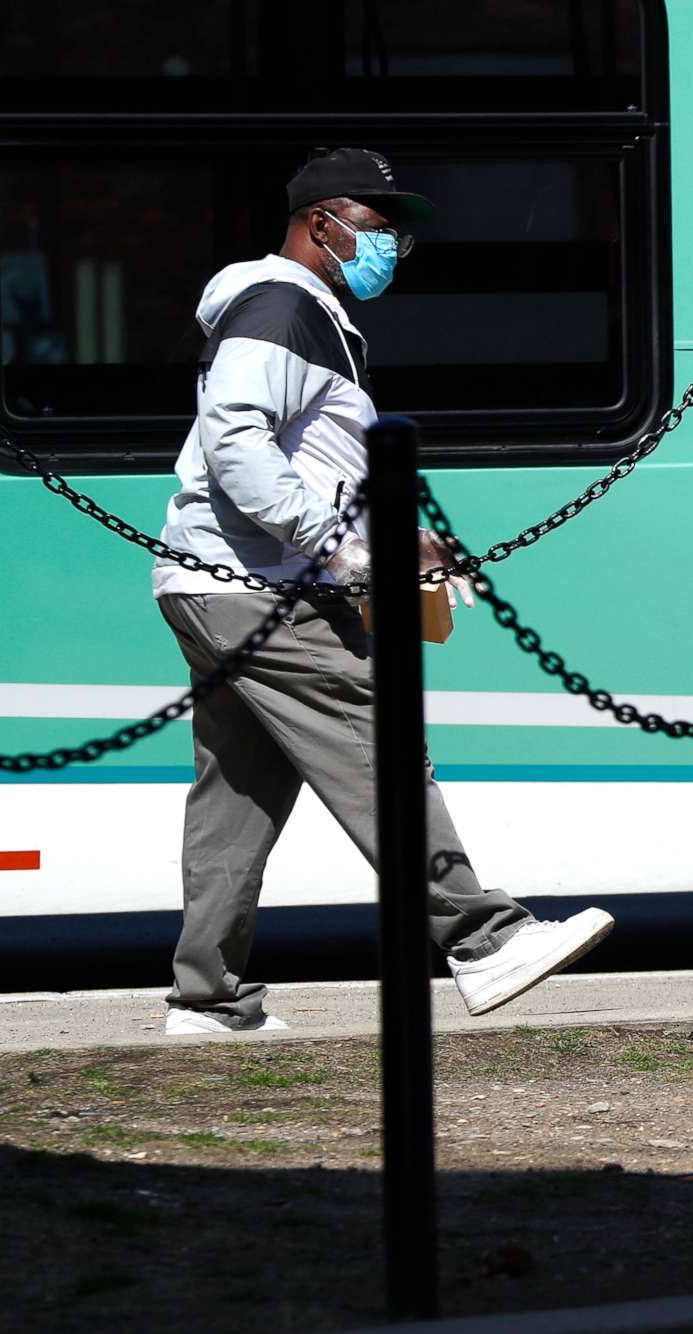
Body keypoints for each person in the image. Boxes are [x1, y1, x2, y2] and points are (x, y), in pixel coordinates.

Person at [154, 148, 614, 1036]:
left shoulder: (298, 312)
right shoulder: (279, 305)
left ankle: (207, 997)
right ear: (322, 223)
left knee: (238, 790)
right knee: (380, 741)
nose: (394, 248)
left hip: (221, 578)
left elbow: (300, 460)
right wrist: (337, 547)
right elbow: (237, 445)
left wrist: (402, 541)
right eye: (379, 228)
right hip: (262, 585)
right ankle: (482, 939)